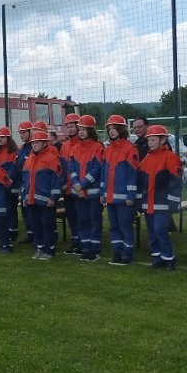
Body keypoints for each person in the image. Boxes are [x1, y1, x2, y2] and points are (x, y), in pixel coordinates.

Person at [137, 125, 183, 270]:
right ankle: (157, 258)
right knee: (152, 233)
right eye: (149, 140)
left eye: (153, 139)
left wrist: (173, 202)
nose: (150, 142)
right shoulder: (146, 158)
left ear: (163, 140)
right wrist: (140, 201)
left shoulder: (170, 157)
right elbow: (140, 181)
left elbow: (176, 181)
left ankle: (169, 258)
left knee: (160, 230)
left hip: (162, 204)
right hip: (149, 203)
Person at [101, 115, 139, 266]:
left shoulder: (130, 149)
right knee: (114, 227)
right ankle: (117, 252)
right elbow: (104, 174)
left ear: (122, 129)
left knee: (125, 227)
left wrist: (131, 195)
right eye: (109, 128)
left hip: (124, 199)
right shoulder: (108, 150)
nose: (111, 131)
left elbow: (133, 174)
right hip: (110, 197)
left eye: (115, 128)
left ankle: (127, 254)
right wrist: (103, 193)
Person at [21, 129, 63, 260]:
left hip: (46, 201)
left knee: (47, 225)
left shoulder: (51, 158)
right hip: (32, 200)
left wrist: (53, 198)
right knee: (36, 225)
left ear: (45, 143)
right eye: (33, 142)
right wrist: (24, 197)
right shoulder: (29, 158)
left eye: (37, 142)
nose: (34, 144)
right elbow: (25, 180)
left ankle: (49, 250)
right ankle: (39, 248)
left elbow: (57, 180)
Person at [68, 114, 104, 261]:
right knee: (82, 220)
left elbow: (97, 169)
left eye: (85, 129)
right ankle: (86, 247)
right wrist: (77, 184)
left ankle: (94, 250)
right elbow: (71, 166)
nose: (81, 132)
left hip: (92, 193)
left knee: (94, 220)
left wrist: (81, 185)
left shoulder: (98, 147)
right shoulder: (75, 148)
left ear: (91, 130)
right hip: (79, 193)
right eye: (80, 129)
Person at [59, 113, 82, 254]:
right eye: (67, 126)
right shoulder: (65, 146)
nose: (70, 129)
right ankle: (75, 243)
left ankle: (82, 243)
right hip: (67, 188)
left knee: (81, 218)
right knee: (72, 218)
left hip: (79, 188)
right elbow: (61, 167)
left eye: (72, 126)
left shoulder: (83, 144)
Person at [0, 126, 20, 242]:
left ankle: (12, 233)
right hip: (0, 186)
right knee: (3, 210)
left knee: (11, 210)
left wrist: (6, 181)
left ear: (8, 138)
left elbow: (13, 169)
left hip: (10, 186)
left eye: (2, 137)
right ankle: (5, 233)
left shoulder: (13, 152)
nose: (0, 140)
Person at [15, 121, 35, 244]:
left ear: (30, 132)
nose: (21, 135)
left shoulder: (33, 148)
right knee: (25, 209)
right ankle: (30, 234)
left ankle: (35, 235)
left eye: (24, 133)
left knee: (31, 210)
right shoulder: (22, 149)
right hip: (23, 183)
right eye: (20, 133)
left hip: (31, 184)